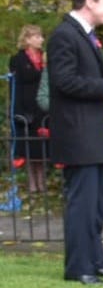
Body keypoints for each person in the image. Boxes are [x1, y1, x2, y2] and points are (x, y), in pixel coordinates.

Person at [46, 0, 103, 285]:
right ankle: (78, 267)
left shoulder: (84, 35)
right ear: (89, 2)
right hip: (79, 136)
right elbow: (63, 81)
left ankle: (96, 262)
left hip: (93, 134)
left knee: (95, 207)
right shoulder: (65, 35)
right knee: (82, 203)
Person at [8, 24, 50, 194]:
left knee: (42, 146)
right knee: (29, 146)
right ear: (27, 39)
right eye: (36, 36)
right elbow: (24, 78)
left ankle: (42, 181)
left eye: (41, 36)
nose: (41, 39)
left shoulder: (45, 57)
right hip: (26, 106)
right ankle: (32, 183)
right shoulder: (18, 58)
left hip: (42, 106)